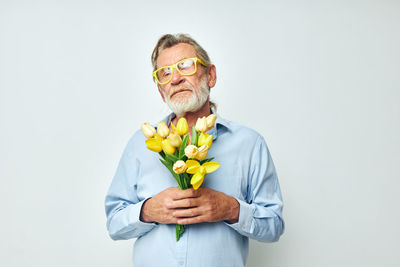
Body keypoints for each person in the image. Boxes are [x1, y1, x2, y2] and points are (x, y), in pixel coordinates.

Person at [105, 33, 284, 267]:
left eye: (185, 66)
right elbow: (114, 223)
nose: (175, 78)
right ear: (161, 90)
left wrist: (230, 208)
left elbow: (274, 225)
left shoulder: (249, 144)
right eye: (165, 73)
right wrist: (147, 211)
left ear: (211, 75)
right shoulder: (141, 144)